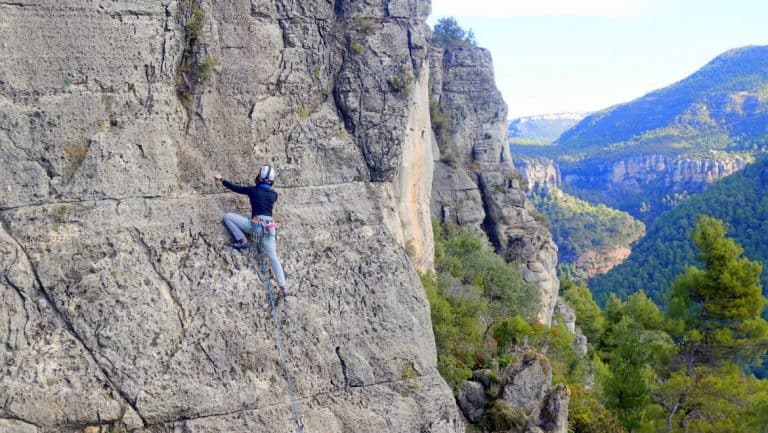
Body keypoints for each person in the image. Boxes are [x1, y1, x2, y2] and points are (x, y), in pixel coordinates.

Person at [214, 166, 289, 299]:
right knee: (273, 257)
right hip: (269, 229)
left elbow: (236, 188)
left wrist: (222, 180)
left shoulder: (253, 191)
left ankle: (243, 240)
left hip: (255, 226)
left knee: (228, 217)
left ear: (259, 178)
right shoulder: (274, 195)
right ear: (271, 181)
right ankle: (283, 286)